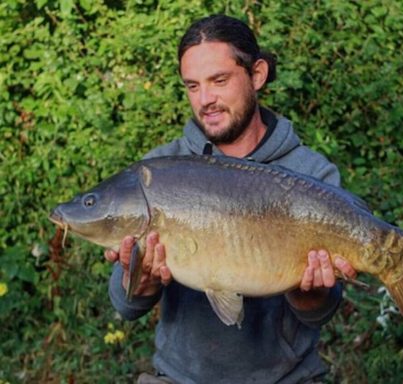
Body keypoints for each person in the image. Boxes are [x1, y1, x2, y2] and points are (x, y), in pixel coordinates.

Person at [104, 14, 356, 384]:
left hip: (286, 378)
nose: (205, 100)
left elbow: (319, 313)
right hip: (181, 378)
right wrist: (139, 280)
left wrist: (310, 294)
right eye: (192, 86)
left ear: (256, 74)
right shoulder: (159, 172)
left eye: (218, 81)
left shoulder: (311, 174)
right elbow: (124, 306)